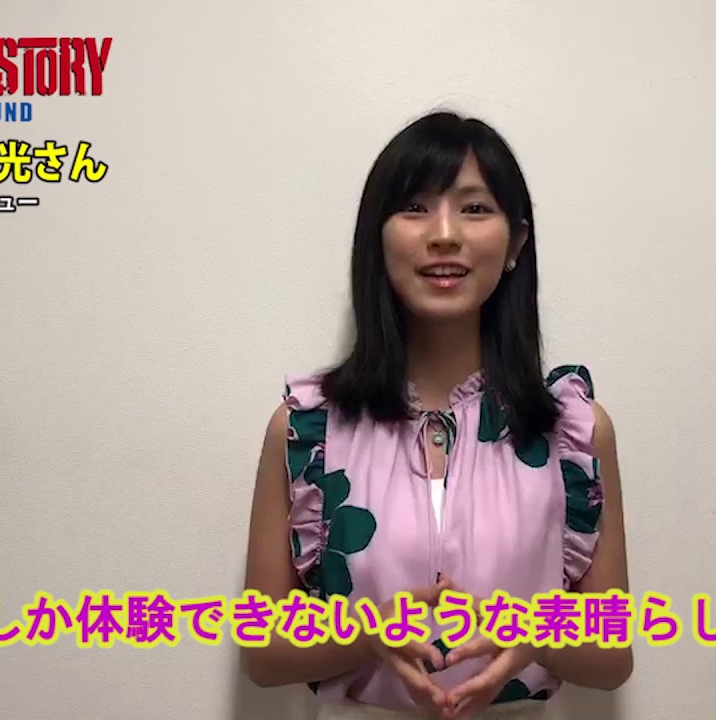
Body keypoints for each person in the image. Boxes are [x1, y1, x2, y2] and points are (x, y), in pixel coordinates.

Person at [240, 110, 631, 719]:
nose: (444, 234)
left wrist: (533, 634)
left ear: (516, 243)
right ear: (377, 238)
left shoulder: (573, 433)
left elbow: (612, 661)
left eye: (474, 208)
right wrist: (365, 633)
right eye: (415, 207)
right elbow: (261, 655)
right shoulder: (306, 430)